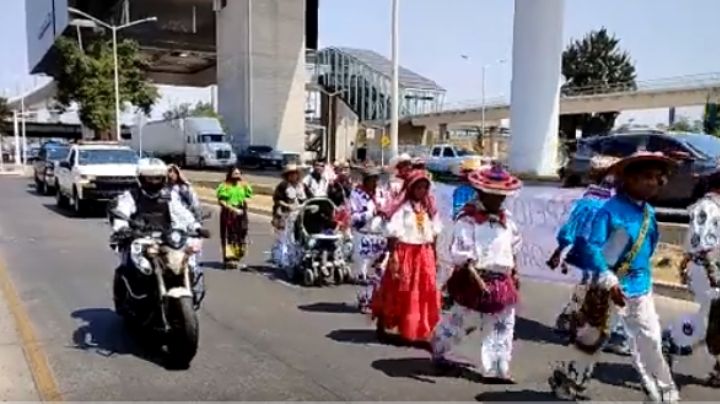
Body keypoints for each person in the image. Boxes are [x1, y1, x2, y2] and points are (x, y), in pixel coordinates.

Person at [549, 151, 680, 402]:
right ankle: (570, 378)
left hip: (640, 287)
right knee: (594, 339)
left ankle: (663, 393)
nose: (653, 182)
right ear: (629, 179)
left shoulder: (648, 213)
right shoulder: (609, 210)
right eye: (646, 177)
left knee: (650, 338)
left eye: (657, 177)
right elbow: (591, 247)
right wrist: (609, 279)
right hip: (609, 285)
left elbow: (650, 245)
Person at [431, 165, 522, 383]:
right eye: (495, 195)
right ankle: (439, 349)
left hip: (501, 281)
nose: (499, 200)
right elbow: (462, 252)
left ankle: (497, 369)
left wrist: (514, 273)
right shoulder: (467, 219)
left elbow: (514, 247)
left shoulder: (507, 221)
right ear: (482, 193)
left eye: (502, 196)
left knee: (502, 325)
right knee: (461, 320)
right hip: (474, 279)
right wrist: (477, 279)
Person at [547, 155, 630, 356]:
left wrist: (560, 249)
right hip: (604, 251)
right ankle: (609, 333)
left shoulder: (590, 197)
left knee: (590, 286)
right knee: (609, 290)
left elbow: (571, 226)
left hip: (589, 250)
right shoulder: (611, 201)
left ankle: (570, 319)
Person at [110, 158, 208, 309]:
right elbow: (122, 212)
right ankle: (133, 297)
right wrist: (122, 228)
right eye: (150, 178)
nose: (154, 181)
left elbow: (182, 213)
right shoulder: (131, 196)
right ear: (141, 178)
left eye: (157, 178)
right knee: (134, 266)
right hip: (141, 238)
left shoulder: (169, 196)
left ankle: (192, 287)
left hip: (166, 238)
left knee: (188, 260)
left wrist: (195, 226)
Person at [663, 169, 720, 386]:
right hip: (707, 271)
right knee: (708, 318)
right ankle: (670, 339)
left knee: (715, 318)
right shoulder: (707, 208)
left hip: (713, 270)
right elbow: (703, 246)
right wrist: (714, 274)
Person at [371, 170, 442, 344]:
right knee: (400, 290)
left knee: (424, 290)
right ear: (411, 188)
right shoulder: (402, 208)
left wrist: (434, 254)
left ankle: (419, 328)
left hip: (423, 254)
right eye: (419, 187)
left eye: (425, 188)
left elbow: (434, 232)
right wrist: (394, 254)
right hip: (405, 252)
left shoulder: (428, 208)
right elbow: (392, 232)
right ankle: (390, 324)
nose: (422, 191)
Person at [350, 167, 388, 312]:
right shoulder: (356, 194)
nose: (374, 182)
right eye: (371, 179)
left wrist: (386, 213)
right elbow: (354, 218)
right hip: (363, 235)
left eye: (376, 179)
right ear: (365, 180)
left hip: (379, 235)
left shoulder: (381, 193)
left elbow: (387, 208)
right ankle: (363, 299)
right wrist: (371, 213)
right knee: (363, 270)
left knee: (379, 270)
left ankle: (373, 298)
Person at [271, 164, 309, 271]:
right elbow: (277, 199)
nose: (293, 176)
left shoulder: (303, 186)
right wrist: (287, 205)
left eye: (295, 174)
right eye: (291, 174)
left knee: (296, 238)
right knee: (284, 238)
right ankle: (282, 260)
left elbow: (310, 197)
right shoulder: (283, 186)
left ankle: (294, 258)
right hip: (285, 215)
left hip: (300, 215)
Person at [216, 166, 253, 270]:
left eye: (239, 173)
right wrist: (232, 209)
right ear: (230, 174)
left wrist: (244, 204)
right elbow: (221, 201)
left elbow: (248, 196)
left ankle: (237, 256)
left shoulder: (243, 185)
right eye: (235, 173)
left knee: (241, 233)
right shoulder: (225, 186)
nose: (237, 176)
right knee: (230, 235)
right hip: (229, 212)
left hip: (241, 212)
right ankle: (229, 259)